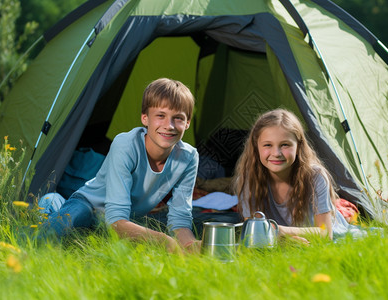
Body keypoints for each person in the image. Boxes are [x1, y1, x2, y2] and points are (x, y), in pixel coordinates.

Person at [39, 78, 200, 252]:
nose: (169, 126)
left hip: (125, 220)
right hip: (90, 206)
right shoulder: (126, 144)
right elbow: (116, 220)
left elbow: (180, 219)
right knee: (62, 229)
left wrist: (191, 245)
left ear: (188, 123)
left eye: (178, 118)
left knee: (107, 243)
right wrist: (164, 241)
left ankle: (56, 205)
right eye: (160, 115)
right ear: (145, 118)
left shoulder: (189, 158)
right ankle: (52, 205)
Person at [234, 108, 354, 240]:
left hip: (332, 234)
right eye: (267, 145)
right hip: (286, 239)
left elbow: (326, 234)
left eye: (285, 145)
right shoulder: (250, 179)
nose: (276, 153)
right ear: (256, 148)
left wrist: (280, 231)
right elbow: (253, 235)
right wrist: (287, 241)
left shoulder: (315, 176)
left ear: (298, 147)